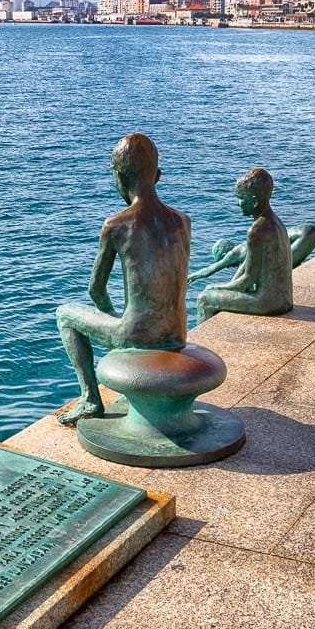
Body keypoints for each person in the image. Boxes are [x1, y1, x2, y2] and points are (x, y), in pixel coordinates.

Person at [55, 133, 191, 426]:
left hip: (138, 335)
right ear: (158, 175)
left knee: (65, 315)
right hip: (178, 331)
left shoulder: (117, 224)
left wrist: (113, 318)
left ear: (119, 176)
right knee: (123, 320)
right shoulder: (183, 221)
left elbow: (96, 290)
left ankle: (90, 399)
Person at [196, 168, 292, 324]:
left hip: (269, 303)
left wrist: (216, 287)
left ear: (254, 201)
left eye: (240, 198)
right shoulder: (275, 221)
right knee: (213, 292)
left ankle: (200, 346)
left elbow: (247, 280)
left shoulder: (256, 230)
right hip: (284, 299)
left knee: (204, 299)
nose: (237, 203)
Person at [187, 223, 315, 283]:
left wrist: (190, 277)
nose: (227, 266)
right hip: (311, 231)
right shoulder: (247, 248)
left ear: (223, 255)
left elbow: (211, 269)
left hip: (306, 234)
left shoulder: (234, 253)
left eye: (222, 261)